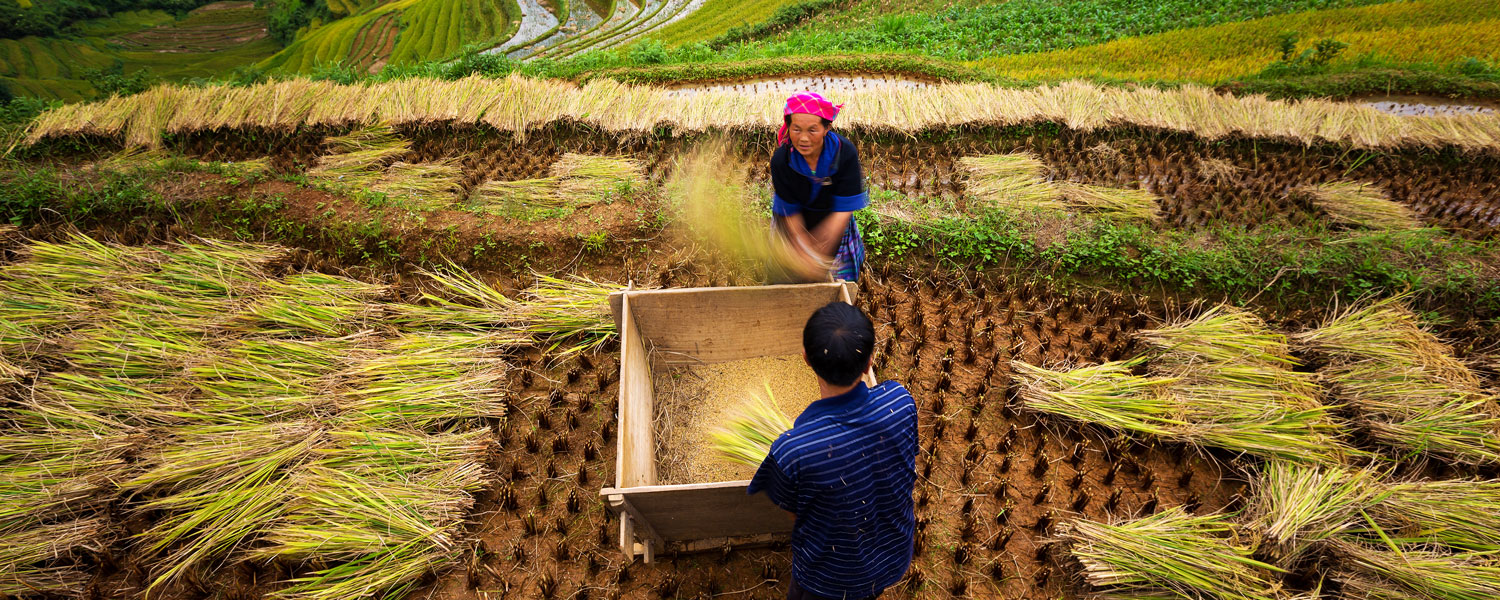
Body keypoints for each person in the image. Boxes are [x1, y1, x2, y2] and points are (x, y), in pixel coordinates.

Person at [748, 301, 918, 600]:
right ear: (869, 362)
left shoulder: (792, 449)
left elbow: (795, 512)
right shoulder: (900, 401)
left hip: (829, 579)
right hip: (892, 556)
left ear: (805, 358)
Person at [770, 92, 869, 283]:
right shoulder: (782, 160)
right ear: (788, 127)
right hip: (793, 220)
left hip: (833, 219)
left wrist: (821, 253)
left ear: (826, 128)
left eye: (812, 130)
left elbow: (843, 210)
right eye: (796, 129)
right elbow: (790, 212)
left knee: (837, 280)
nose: (803, 138)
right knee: (787, 275)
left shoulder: (844, 153)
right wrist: (803, 249)